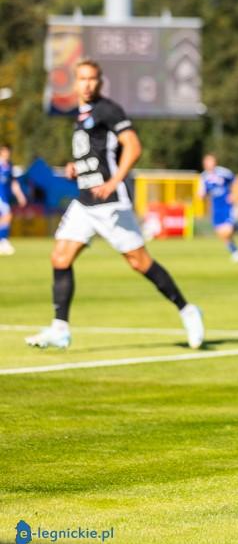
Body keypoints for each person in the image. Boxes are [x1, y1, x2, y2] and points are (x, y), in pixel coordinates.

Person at [26, 59, 204, 350]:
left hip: (110, 203)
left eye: (92, 79)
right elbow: (94, 154)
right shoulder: (80, 116)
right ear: (75, 83)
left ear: (100, 82)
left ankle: (188, 310)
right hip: (84, 202)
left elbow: (133, 146)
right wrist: (75, 167)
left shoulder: (109, 110)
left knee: (139, 262)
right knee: (60, 257)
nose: (87, 84)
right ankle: (60, 329)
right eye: (82, 78)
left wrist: (114, 180)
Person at [199, 153, 238, 262]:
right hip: (215, 208)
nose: (209, 164)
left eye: (211, 161)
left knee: (227, 231)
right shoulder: (203, 176)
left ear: (215, 162)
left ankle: (236, 227)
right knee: (221, 233)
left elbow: (237, 181)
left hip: (226, 206)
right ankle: (235, 251)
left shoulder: (223, 172)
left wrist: (235, 195)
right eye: (207, 162)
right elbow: (202, 192)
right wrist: (202, 195)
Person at [0, 144, 28, 255]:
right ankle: (3, 241)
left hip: (6, 196)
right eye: (5, 152)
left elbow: (14, 183)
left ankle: (3, 240)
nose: (8, 154)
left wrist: (20, 196)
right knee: (7, 216)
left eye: (8, 152)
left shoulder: (9, 166)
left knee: (5, 217)